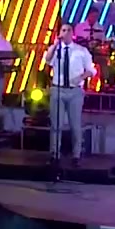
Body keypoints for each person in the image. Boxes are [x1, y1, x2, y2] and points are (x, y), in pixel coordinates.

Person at [42, 23, 96, 166]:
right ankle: (54, 154)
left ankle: (76, 155)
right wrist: (55, 44)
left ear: (72, 33)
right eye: (63, 30)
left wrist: (81, 77)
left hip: (75, 91)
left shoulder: (81, 51)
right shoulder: (56, 50)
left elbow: (91, 70)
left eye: (68, 30)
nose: (65, 33)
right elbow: (47, 60)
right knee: (56, 125)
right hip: (58, 89)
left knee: (75, 125)